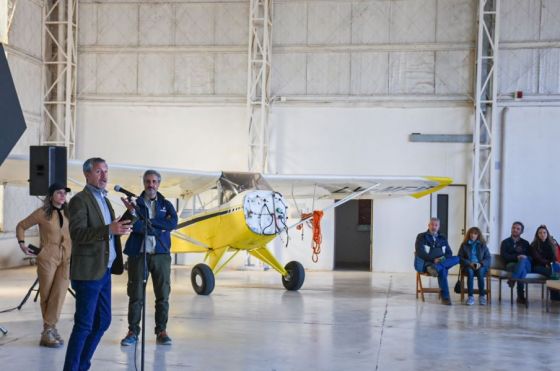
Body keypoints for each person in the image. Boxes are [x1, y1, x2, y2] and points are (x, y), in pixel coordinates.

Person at [63, 158, 136, 371]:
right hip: (87, 273)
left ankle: (82, 365)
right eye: (98, 171)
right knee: (84, 325)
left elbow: (114, 228)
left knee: (103, 321)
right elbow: (77, 234)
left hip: (104, 270)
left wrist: (130, 214)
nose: (104, 176)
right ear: (87, 174)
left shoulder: (104, 200)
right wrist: (108, 230)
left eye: (106, 171)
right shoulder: (79, 200)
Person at [120, 169, 178, 346]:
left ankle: (161, 331)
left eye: (154, 181)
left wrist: (147, 223)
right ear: (143, 183)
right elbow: (129, 224)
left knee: (163, 295)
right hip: (139, 255)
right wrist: (138, 219)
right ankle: (132, 332)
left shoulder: (166, 204)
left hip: (161, 255)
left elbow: (172, 223)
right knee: (135, 295)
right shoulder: (135, 203)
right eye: (147, 181)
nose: (150, 185)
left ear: (158, 184)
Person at [16, 183, 72, 347]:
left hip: (66, 257)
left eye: (64, 193)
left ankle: (49, 329)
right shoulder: (42, 213)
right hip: (47, 256)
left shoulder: (70, 212)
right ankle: (49, 330)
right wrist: (22, 244)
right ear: (51, 196)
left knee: (60, 293)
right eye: (59, 193)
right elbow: (21, 225)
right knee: (46, 294)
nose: (63, 195)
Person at [415, 217, 460, 305]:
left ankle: (437, 267)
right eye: (432, 224)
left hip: (439, 263)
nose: (434, 227)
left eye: (436, 225)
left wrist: (440, 260)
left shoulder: (442, 237)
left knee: (457, 258)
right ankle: (445, 297)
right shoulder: (421, 236)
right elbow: (420, 252)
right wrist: (433, 260)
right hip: (428, 264)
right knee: (443, 270)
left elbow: (449, 253)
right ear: (428, 225)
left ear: (439, 227)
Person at [458, 227, 491, 305]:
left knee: (480, 272)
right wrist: (469, 263)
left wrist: (481, 264)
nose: (473, 235)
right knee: (470, 272)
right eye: (471, 233)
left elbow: (488, 257)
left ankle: (482, 296)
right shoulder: (464, 245)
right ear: (469, 234)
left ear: (478, 235)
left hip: (481, 265)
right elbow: (460, 257)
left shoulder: (483, 245)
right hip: (468, 265)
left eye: (475, 234)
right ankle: (470, 297)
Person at [500, 221, 531, 304]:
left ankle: (513, 279)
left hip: (526, 264)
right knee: (522, 271)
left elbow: (530, 257)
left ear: (521, 231)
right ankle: (520, 297)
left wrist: (524, 258)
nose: (515, 230)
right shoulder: (505, 242)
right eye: (513, 228)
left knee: (523, 261)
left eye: (518, 229)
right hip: (511, 264)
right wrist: (516, 257)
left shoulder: (525, 243)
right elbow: (504, 256)